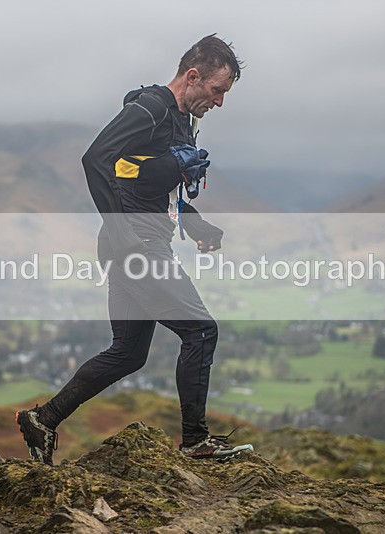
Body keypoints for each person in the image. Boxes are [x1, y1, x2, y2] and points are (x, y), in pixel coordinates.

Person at [16, 34, 248, 465]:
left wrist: (198, 226)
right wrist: (120, 229)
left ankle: (43, 420)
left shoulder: (181, 122)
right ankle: (196, 442)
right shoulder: (152, 107)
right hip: (135, 243)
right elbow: (96, 158)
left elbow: (153, 187)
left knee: (128, 352)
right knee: (200, 331)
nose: (219, 102)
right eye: (217, 91)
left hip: (140, 239)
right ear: (193, 76)